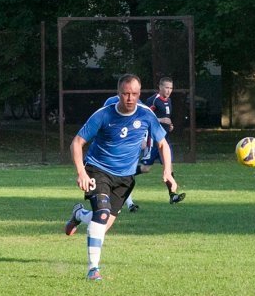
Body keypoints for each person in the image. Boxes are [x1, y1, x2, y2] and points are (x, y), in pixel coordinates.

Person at [65, 73, 177, 281]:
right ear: (118, 94)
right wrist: (81, 172)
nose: (130, 98)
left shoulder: (145, 115)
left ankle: (79, 215)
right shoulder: (103, 114)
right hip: (97, 170)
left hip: (125, 179)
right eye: (125, 94)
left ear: (139, 94)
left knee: (102, 223)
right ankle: (93, 269)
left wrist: (167, 171)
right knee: (102, 215)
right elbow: (77, 142)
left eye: (134, 94)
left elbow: (162, 144)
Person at [143, 76, 186, 204]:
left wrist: (169, 125)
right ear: (160, 87)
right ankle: (122, 176)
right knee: (145, 169)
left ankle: (173, 195)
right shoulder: (153, 100)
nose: (168, 90)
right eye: (166, 87)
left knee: (169, 167)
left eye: (171, 88)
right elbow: (145, 117)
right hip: (153, 140)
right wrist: (161, 120)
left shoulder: (169, 101)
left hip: (164, 140)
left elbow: (166, 117)